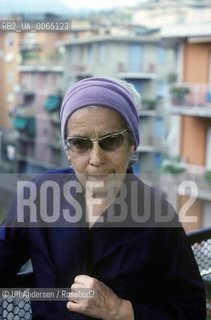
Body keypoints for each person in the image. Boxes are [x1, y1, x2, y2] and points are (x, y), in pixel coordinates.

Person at [0, 77, 206, 319]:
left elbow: (190, 309)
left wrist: (120, 310)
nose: (96, 159)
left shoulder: (157, 217)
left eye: (110, 141)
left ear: (132, 144)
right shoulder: (39, 195)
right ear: (67, 149)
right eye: (79, 143)